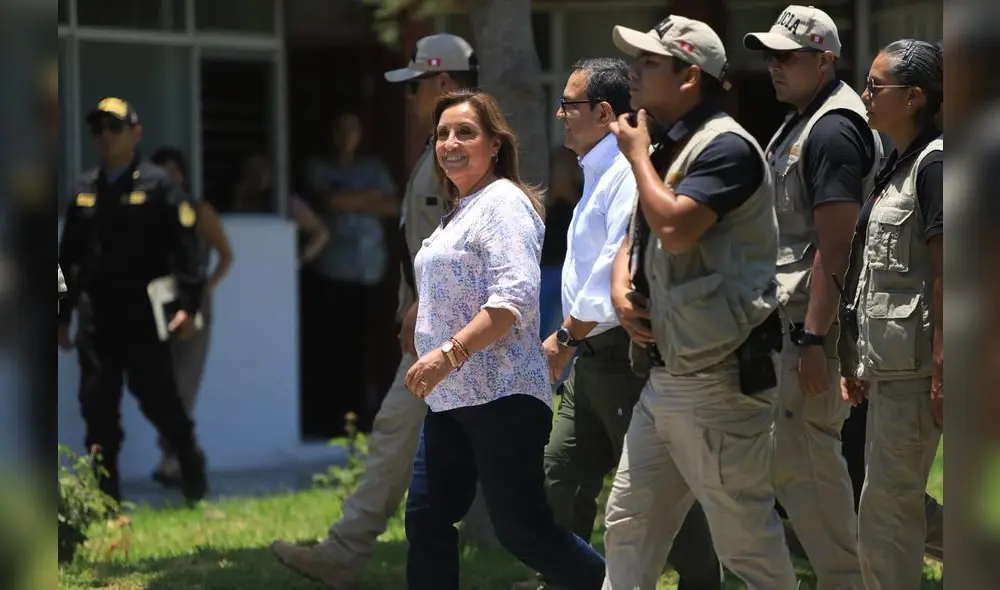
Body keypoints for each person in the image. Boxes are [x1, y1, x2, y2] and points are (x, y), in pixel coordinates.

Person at [270, 33, 495, 588]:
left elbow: (471, 240)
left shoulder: (464, 150)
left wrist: (424, 305)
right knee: (468, 456)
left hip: (446, 332)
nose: (408, 96)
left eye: (416, 84)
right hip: (440, 330)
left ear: (444, 82)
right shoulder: (440, 146)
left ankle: (345, 552)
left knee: (409, 439)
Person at [602, 16, 798, 589]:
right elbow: (638, 232)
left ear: (690, 76)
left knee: (744, 543)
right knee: (628, 524)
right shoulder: (667, 141)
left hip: (717, 379)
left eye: (648, 63)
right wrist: (620, 286)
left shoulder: (726, 147)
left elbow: (676, 229)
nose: (633, 72)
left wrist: (636, 157)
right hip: (667, 375)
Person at [515, 57, 721, 590]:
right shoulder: (596, 170)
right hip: (591, 357)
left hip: (625, 358)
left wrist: (564, 337)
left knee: (656, 495)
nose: (560, 114)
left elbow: (615, 275)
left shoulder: (627, 174)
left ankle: (705, 581)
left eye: (569, 104)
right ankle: (564, 580)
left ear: (603, 112)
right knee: (559, 473)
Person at [402, 89, 606, 590]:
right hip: (452, 398)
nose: (450, 143)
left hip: (501, 396)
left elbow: (509, 300)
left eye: (465, 132)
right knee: (426, 519)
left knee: (523, 531)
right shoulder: (461, 209)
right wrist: (418, 313)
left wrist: (446, 354)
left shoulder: (504, 203)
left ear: (495, 145)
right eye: (442, 134)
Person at [742, 7, 882, 587]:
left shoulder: (831, 129)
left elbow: (836, 244)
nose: (773, 67)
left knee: (808, 467)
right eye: (769, 56)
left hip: (809, 328)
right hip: (791, 324)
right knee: (799, 466)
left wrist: (815, 340)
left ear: (824, 59)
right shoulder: (802, 120)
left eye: (787, 57)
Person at [57, 97, 207, 504]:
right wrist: (60, 313)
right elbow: (64, 258)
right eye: (98, 128)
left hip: (142, 315)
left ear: (136, 133)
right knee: (96, 407)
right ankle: (107, 502)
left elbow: (189, 254)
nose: (105, 136)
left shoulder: (159, 186)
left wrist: (187, 307)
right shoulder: (84, 189)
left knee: (158, 399)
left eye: (114, 127)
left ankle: (190, 466)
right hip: (95, 316)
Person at [839, 39, 943, 589]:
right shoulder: (896, 165)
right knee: (890, 509)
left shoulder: (936, 165)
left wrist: (945, 370)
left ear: (915, 97)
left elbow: (954, 272)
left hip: (922, 372)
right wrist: (859, 360)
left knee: (885, 520)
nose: (865, 95)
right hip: (895, 370)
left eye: (876, 87)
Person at [301, 112, 400, 436]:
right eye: (341, 129)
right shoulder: (319, 166)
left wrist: (348, 201)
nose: (347, 136)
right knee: (332, 347)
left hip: (369, 271)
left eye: (353, 129)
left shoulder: (372, 167)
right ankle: (330, 419)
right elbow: (327, 201)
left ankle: (359, 417)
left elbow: (393, 205)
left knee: (363, 348)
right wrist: (366, 199)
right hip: (332, 271)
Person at [148, 147, 234, 488]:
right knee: (158, 385)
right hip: (157, 300)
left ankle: (176, 460)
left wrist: (206, 289)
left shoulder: (198, 210)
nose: (168, 178)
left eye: (173, 171)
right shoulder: (148, 212)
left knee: (182, 385)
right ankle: (179, 457)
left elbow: (226, 255)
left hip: (191, 303)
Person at [230, 151, 330, 267]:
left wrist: (296, 261)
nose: (258, 174)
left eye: (263, 169)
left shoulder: (286, 202)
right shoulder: (244, 200)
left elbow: (322, 233)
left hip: (277, 266)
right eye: (252, 170)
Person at [539, 147, 579, 341]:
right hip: (545, 270)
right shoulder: (541, 203)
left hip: (569, 271)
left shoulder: (581, 201)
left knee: (565, 323)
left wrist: (569, 195)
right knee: (542, 321)